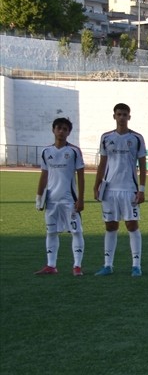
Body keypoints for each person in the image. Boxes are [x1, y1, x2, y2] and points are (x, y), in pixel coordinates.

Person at [92, 102, 147, 276]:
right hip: (109, 189)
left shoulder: (137, 138)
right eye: (119, 114)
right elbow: (103, 162)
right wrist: (97, 184)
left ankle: (136, 265)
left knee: (132, 225)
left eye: (125, 114)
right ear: (114, 116)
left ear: (129, 117)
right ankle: (108, 265)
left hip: (129, 188)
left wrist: (142, 189)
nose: (122, 117)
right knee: (110, 226)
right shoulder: (106, 137)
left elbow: (143, 165)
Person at [34, 117, 85, 276]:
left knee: (76, 232)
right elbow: (44, 175)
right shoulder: (46, 152)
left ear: (69, 132)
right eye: (59, 128)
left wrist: (81, 199)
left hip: (69, 200)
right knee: (51, 232)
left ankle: (77, 266)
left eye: (65, 129)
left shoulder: (74, 151)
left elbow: (81, 176)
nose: (61, 131)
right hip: (51, 200)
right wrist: (39, 196)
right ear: (53, 130)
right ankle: (51, 265)